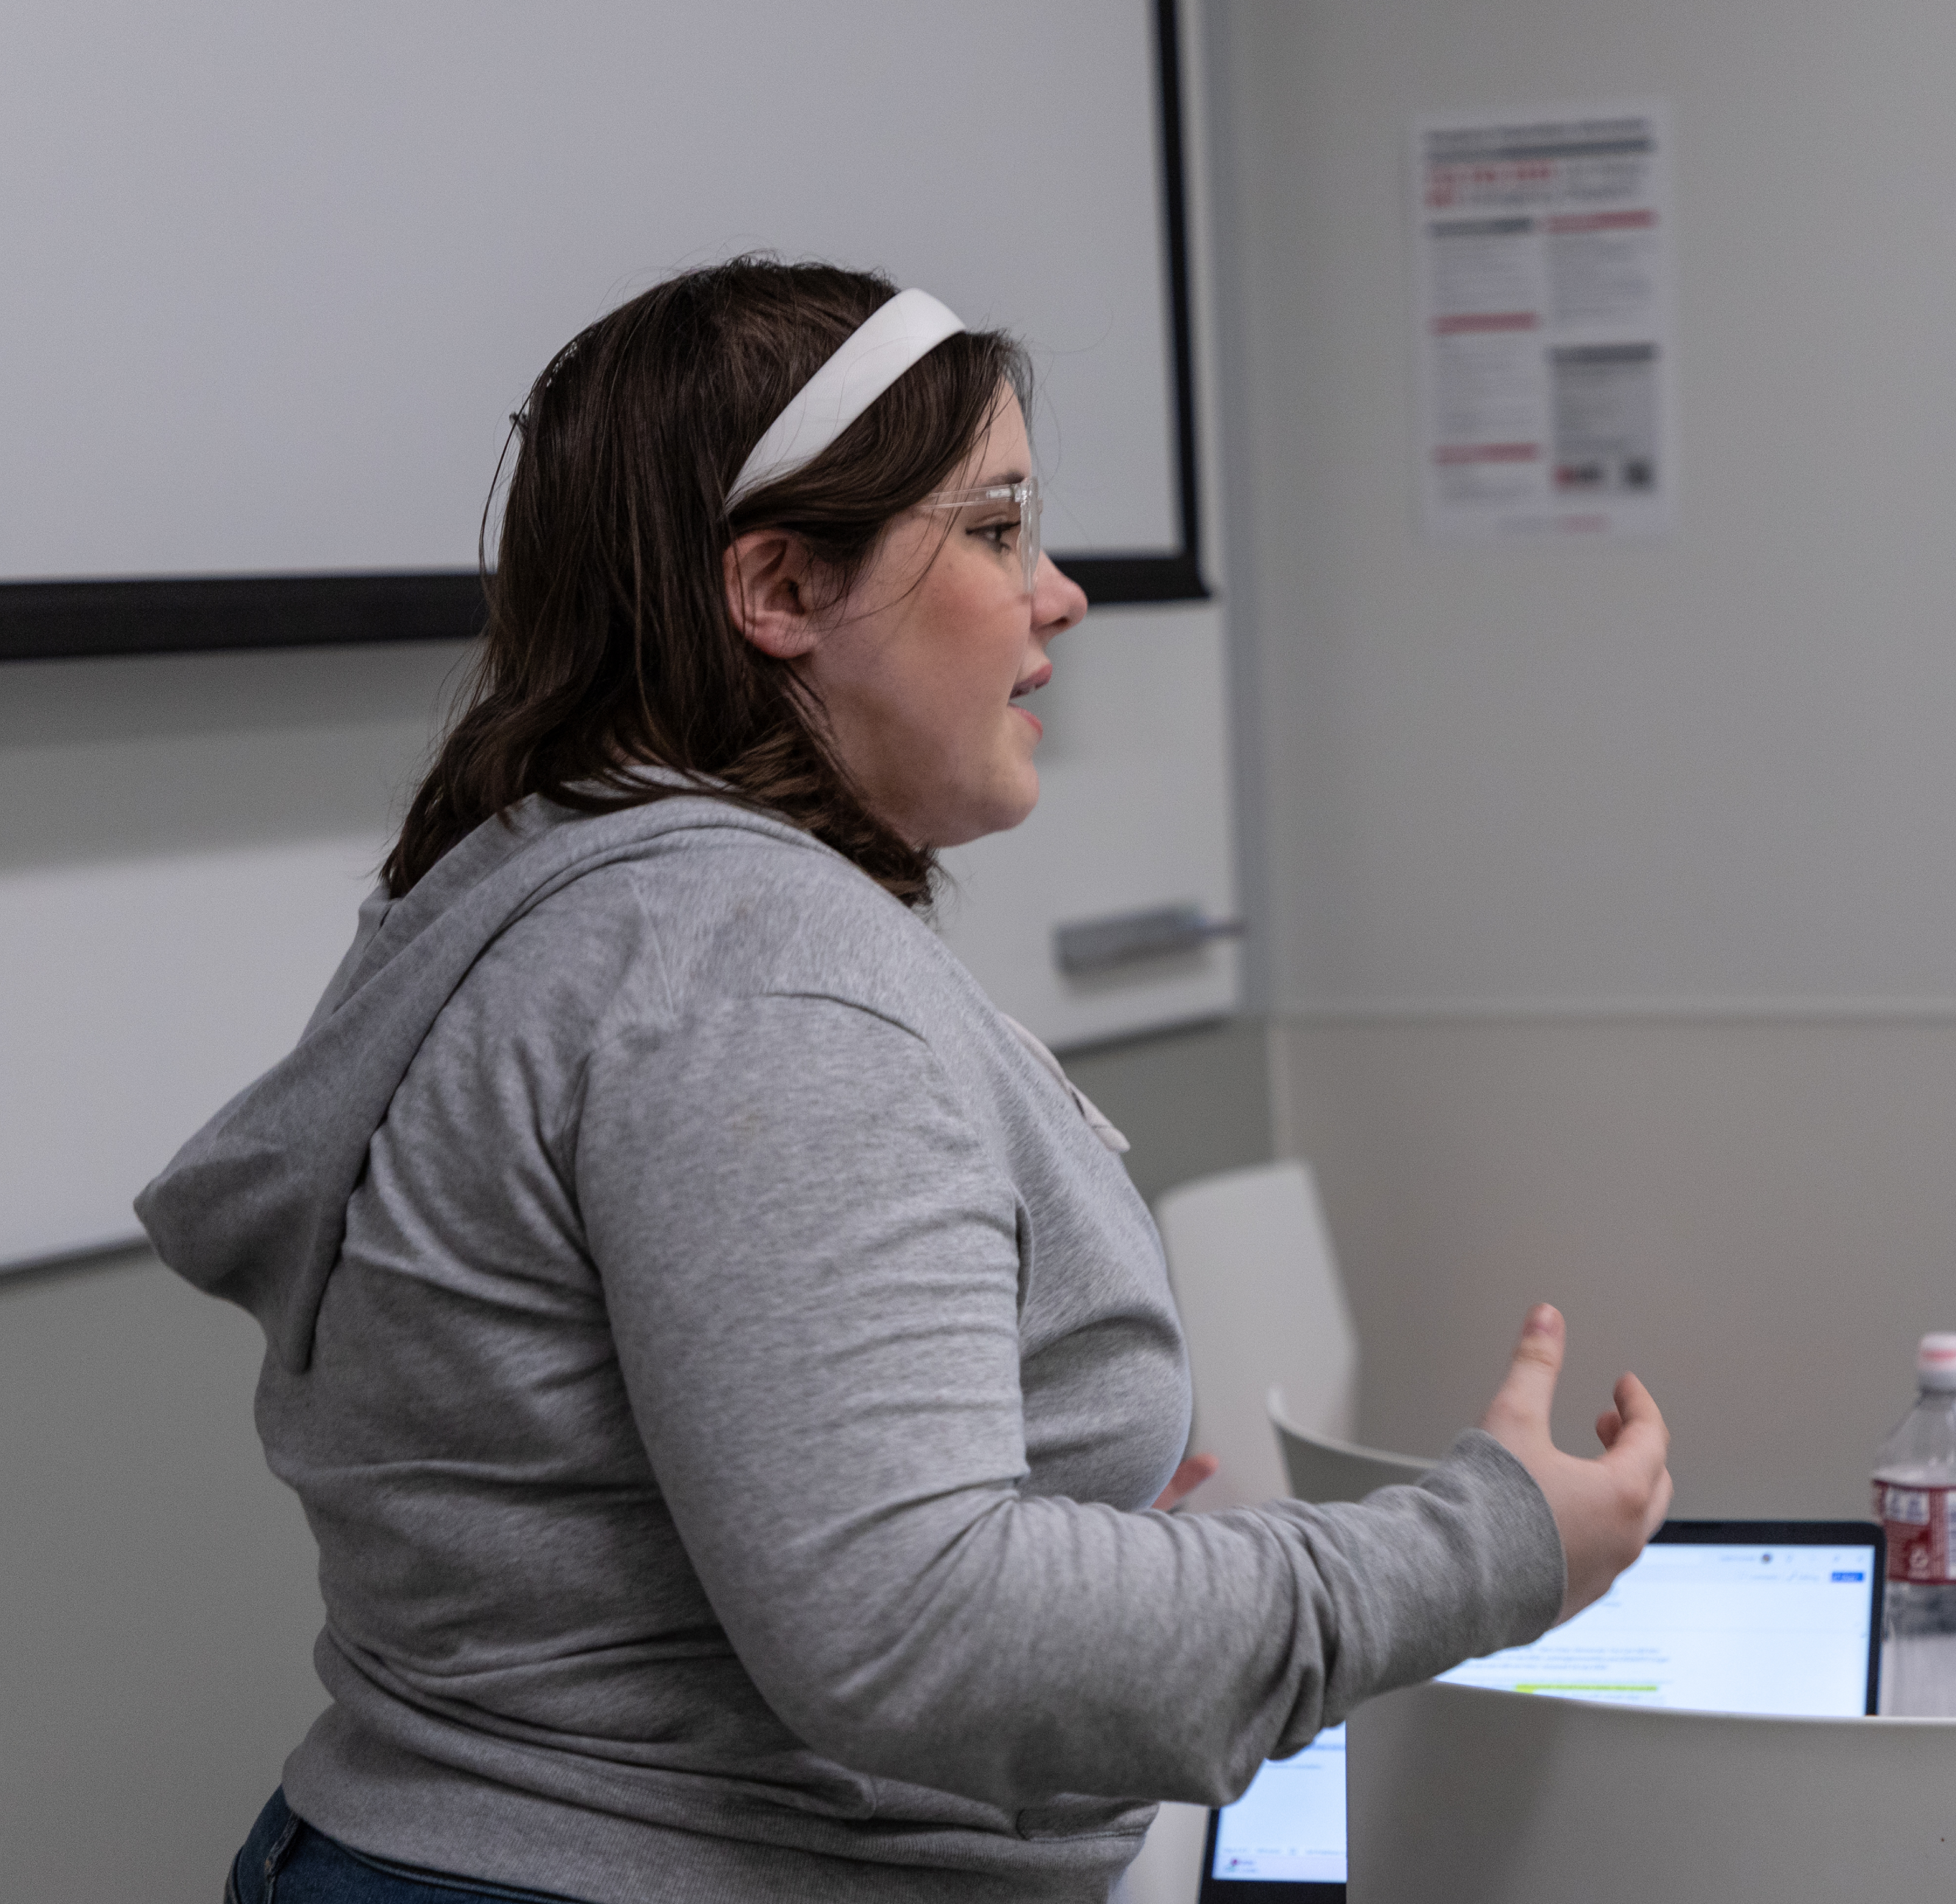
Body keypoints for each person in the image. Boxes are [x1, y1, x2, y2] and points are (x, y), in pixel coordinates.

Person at [140, 259, 1673, 1904]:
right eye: (997, 527)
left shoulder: (564, 893)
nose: (1058, 592)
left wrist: (1083, 1536)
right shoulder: (759, 977)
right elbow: (922, 1629)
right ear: (781, 588)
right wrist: (1494, 1545)